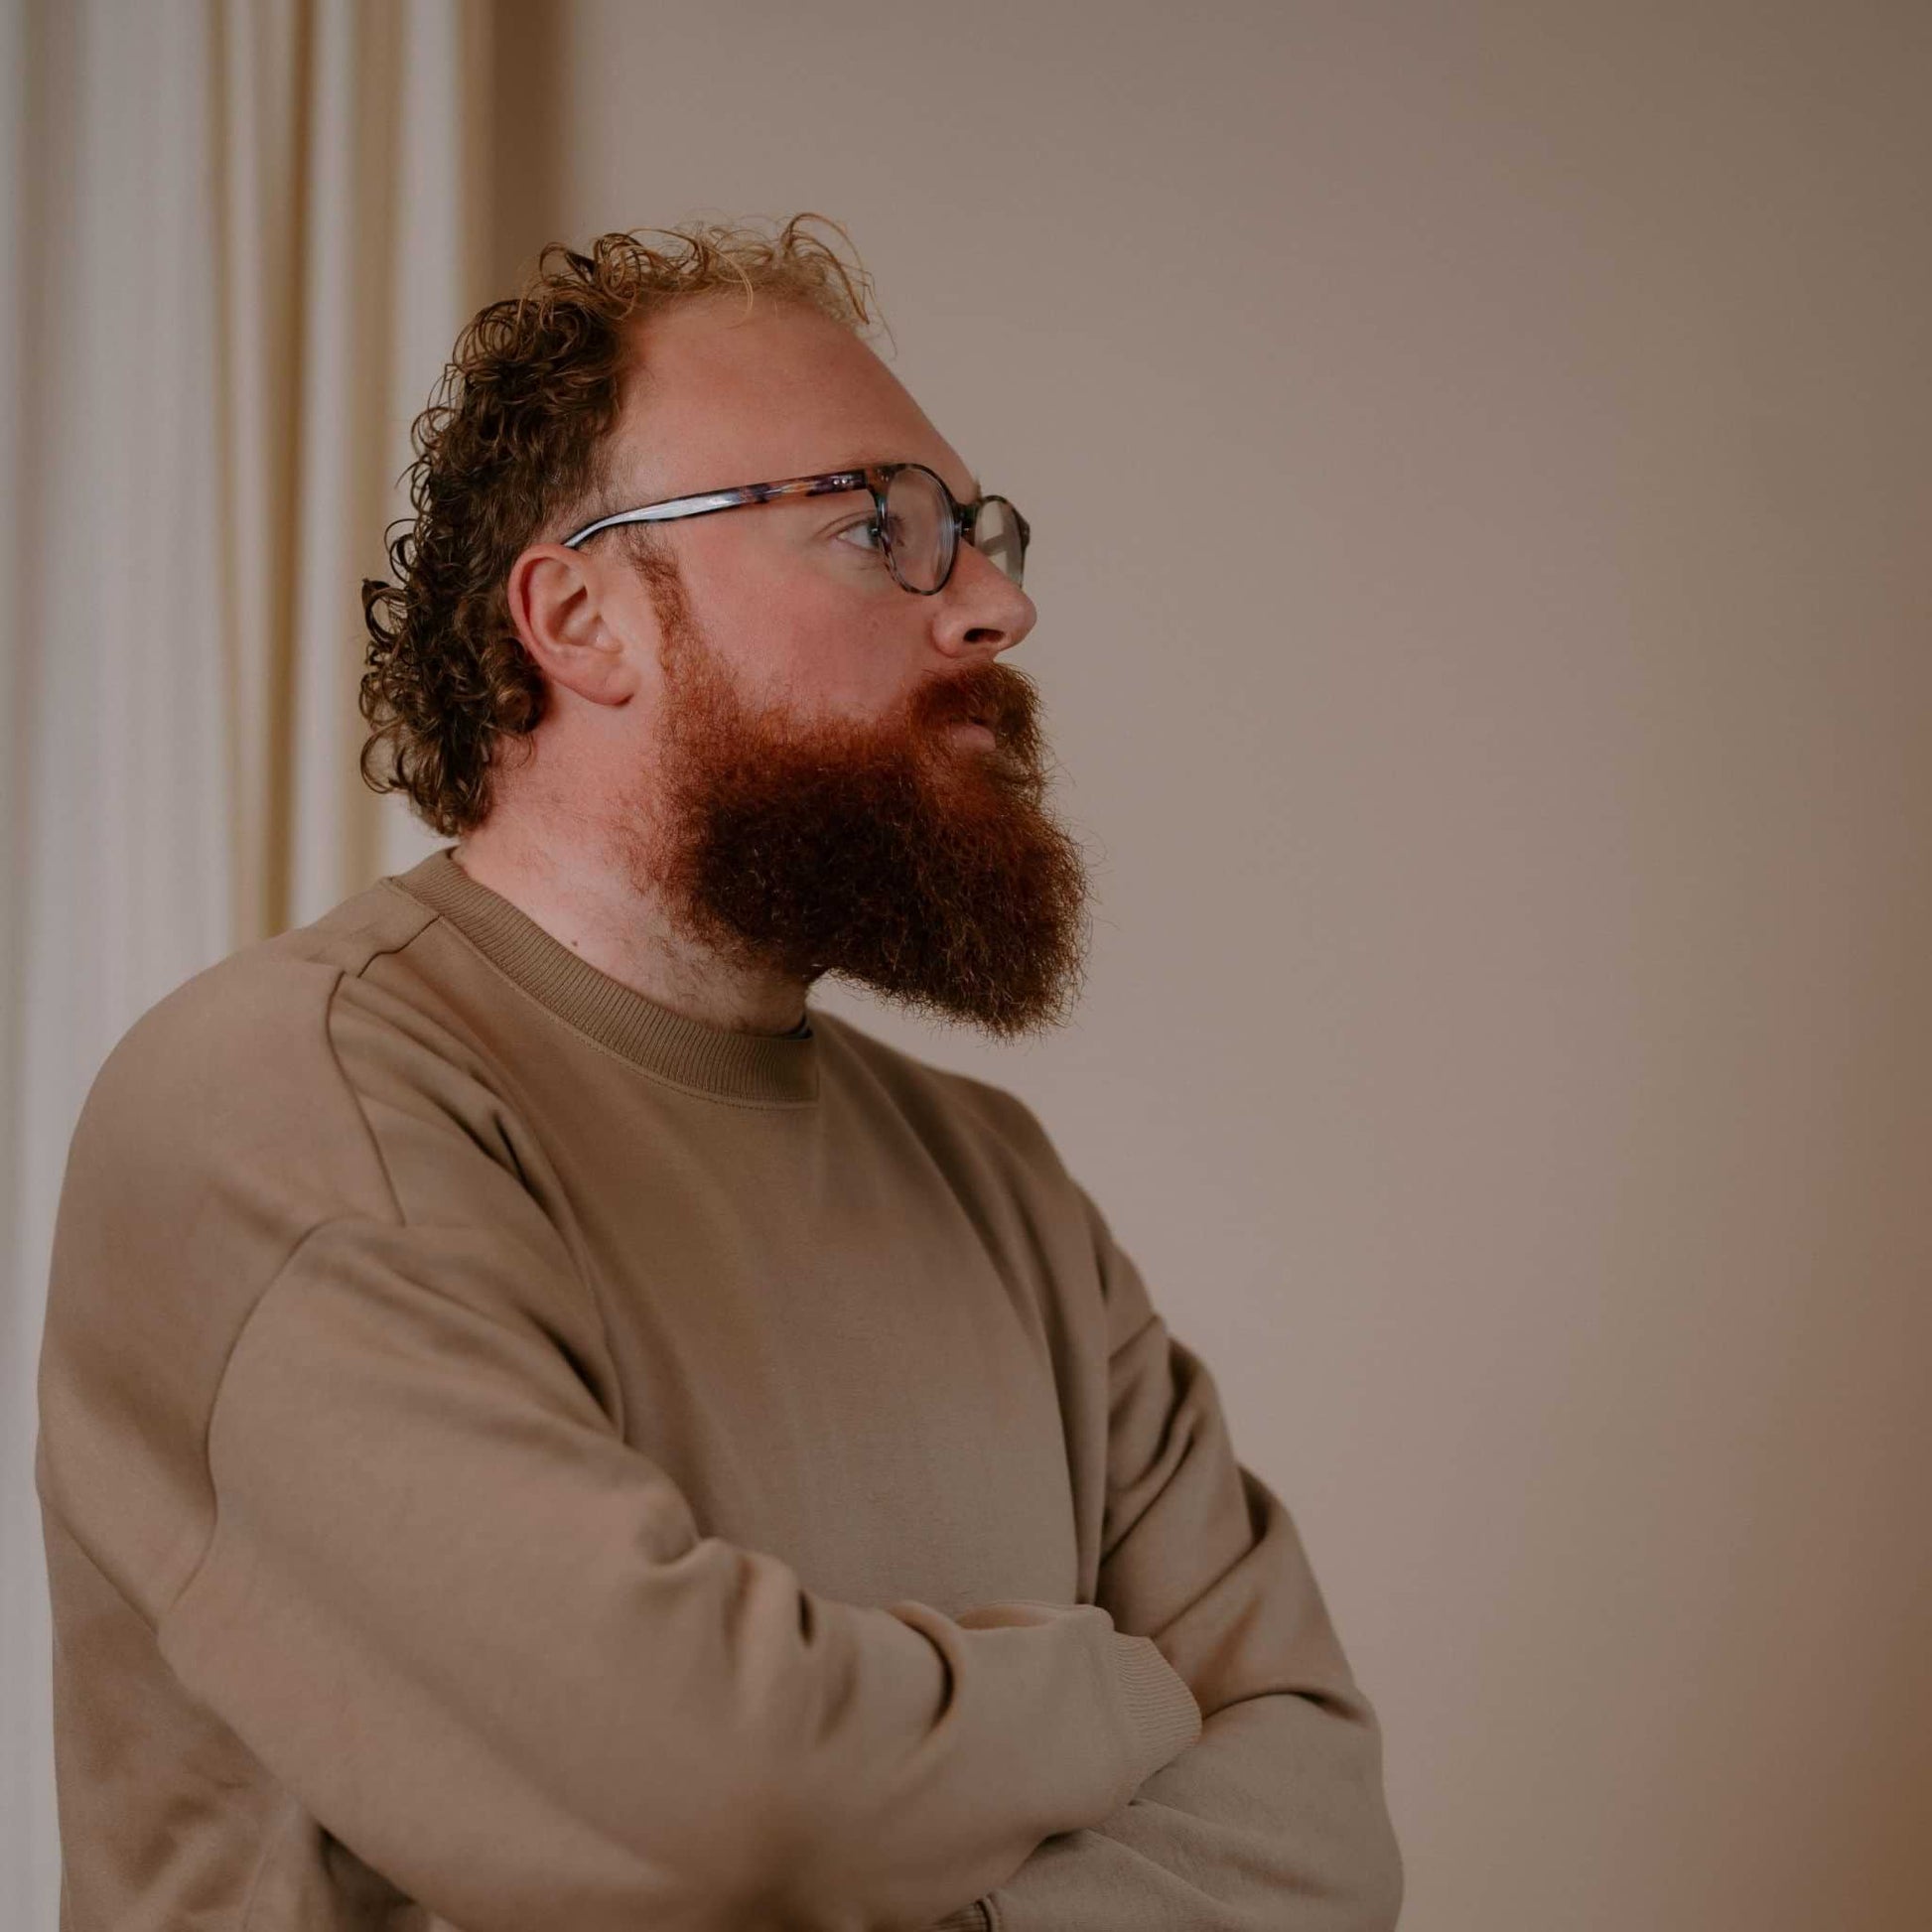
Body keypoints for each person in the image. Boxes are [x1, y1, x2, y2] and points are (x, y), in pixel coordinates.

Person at [36, 215, 1403, 1931]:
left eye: (975, 533)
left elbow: (1319, 1822)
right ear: (585, 615)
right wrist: (1117, 1690)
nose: (995, 602)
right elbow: (705, 1799)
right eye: (874, 524)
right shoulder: (285, 1106)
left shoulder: (998, 1183)